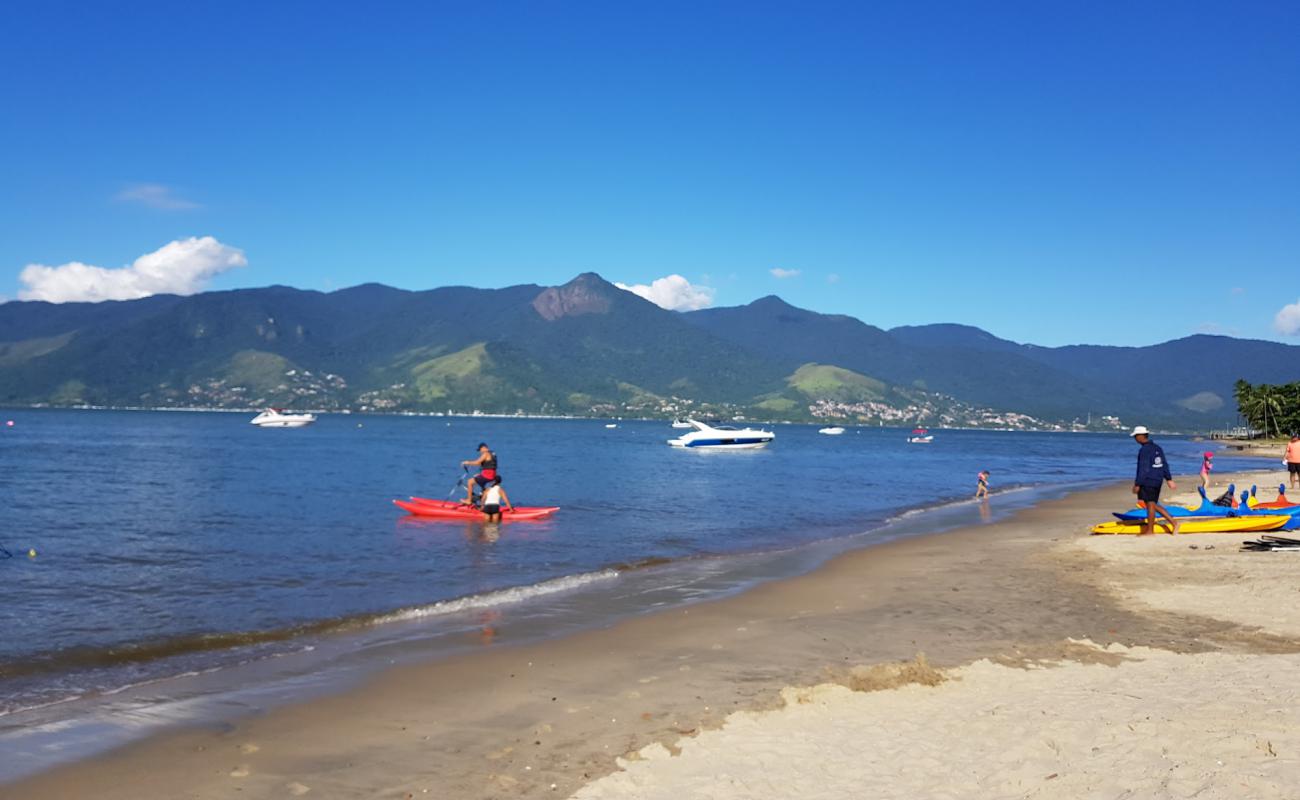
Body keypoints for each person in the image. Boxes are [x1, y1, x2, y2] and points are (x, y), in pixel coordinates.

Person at [1131, 425, 1179, 535]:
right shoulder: (1157, 448)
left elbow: (1143, 468)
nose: (1135, 439)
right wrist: (1168, 479)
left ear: (1141, 436)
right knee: (1151, 503)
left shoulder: (1144, 450)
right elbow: (1164, 464)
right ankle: (1172, 522)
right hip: (1157, 479)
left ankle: (1150, 531)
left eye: (1136, 436)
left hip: (1148, 480)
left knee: (1150, 504)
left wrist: (1138, 484)